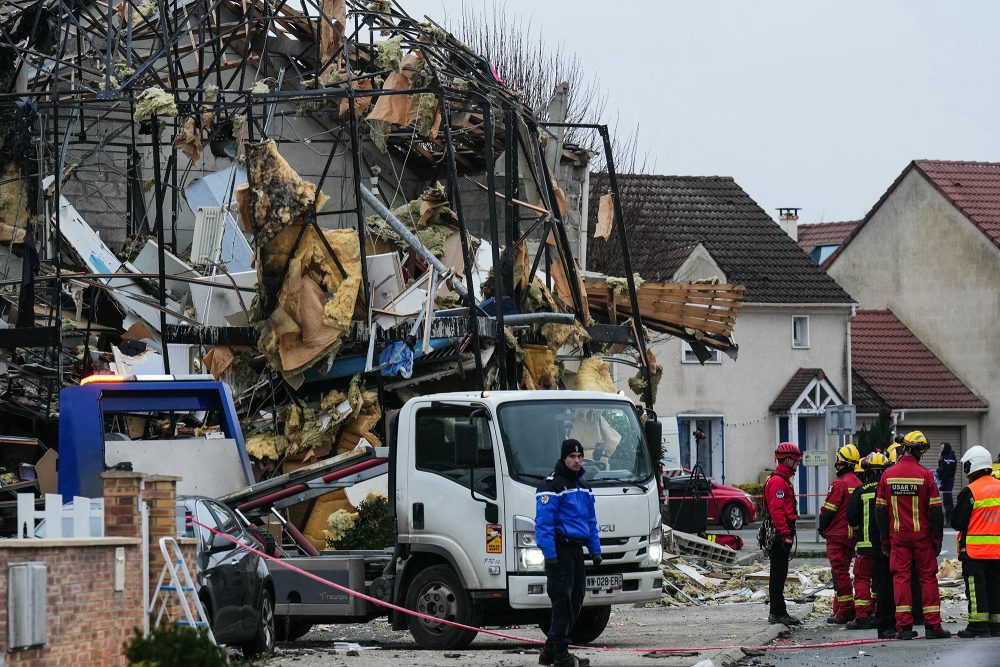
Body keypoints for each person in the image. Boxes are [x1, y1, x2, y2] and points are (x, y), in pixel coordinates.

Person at [875, 431, 951, 639]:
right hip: (923, 538)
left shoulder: (888, 475)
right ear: (918, 452)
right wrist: (937, 540)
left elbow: (880, 511)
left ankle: (904, 628)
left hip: (898, 537)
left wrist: (884, 539)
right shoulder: (925, 475)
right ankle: (933, 626)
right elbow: (936, 512)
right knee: (927, 578)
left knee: (901, 578)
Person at [535, 439, 601, 667]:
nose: (577, 460)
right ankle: (561, 654)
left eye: (580, 457)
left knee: (576, 600)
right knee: (561, 600)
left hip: (576, 551)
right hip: (560, 550)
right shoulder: (550, 486)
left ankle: (550, 652)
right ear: (564, 458)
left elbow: (591, 521)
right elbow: (543, 524)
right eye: (572, 457)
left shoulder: (583, 486)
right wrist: (550, 555)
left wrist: (595, 550)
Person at [951, 445, 1000, 638]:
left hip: (975, 552)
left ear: (972, 466)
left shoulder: (971, 491)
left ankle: (978, 626)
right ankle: (996, 626)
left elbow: (957, 522)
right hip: (997, 551)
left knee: (976, 587)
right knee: (996, 587)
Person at [846, 452, 893, 636]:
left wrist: (859, 530)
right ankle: (879, 614)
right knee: (882, 582)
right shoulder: (888, 490)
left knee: (862, 579)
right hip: (885, 547)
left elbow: (851, 517)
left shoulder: (861, 490)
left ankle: (863, 617)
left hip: (865, 546)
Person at [818, 443, 862, 623]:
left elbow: (827, 511)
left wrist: (822, 528)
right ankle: (840, 608)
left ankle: (845, 611)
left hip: (837, 535)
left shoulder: (838, 484)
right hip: (853, 535)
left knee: (840, 572)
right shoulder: (859, 483)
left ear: (840, 463)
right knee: (842, 572)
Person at [763, 441, 802, 626]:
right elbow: (777, 511)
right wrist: (785, 533)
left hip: (781, 532)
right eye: (795, 461)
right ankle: (778, 612)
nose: (797, 464)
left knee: (779, 573)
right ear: (787, 460)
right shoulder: (778, 481)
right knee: (778, 574)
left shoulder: (782, 479)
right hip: (780, 534)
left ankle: (778, 611)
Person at [938, 443, 957, 524]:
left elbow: (945, 471)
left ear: (946, 448)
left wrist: (942, 482)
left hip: (947, 481)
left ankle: (950, 520)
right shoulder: (951, 456)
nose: (940, 449)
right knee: (948, 500)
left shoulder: (946, 458)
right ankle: (950, 520)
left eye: (942, 447)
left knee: (947, 500)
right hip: (949, 480)